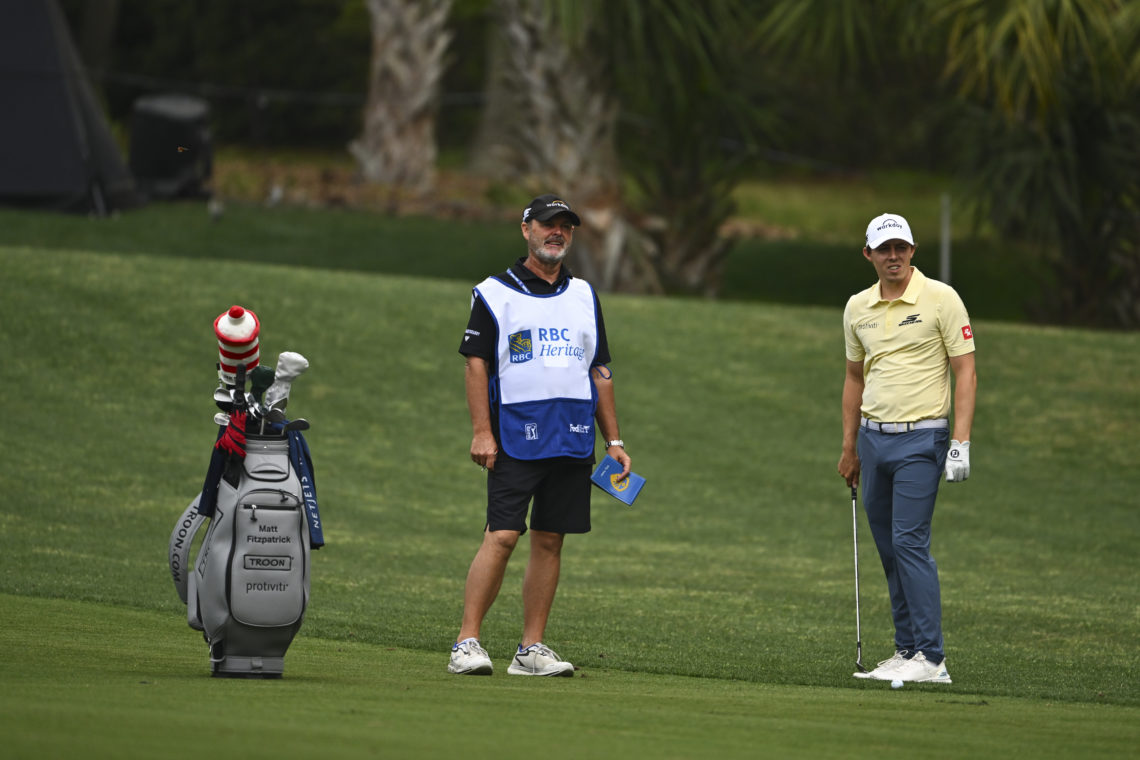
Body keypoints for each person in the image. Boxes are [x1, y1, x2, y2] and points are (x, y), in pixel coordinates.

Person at [448, 194, 632, 677]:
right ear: (526, 229)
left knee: (551, 541)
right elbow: (475, 364)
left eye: (566, 226)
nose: (557, 233)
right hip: (514, 435)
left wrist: (613, 442)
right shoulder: (493, 292)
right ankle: (466, 643)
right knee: (503, 535)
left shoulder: (584, 295)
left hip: (572, 438)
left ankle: (531, 650)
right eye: (548, 224)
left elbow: (600, 370)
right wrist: (481, 432)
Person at [837, 212, 977, 685]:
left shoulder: (942, 299)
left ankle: (932, 659)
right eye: (884, 249)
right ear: (869, 255)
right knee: (889, 549)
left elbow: (965, 372)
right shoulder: (858, 307)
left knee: (909, 542)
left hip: (924, 437)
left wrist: (960, 443)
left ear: (913, 251)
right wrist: (849, 446)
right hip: (874, 441)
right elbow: (855, 378)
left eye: (901, 248)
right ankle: (907, 649)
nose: (893, 256)